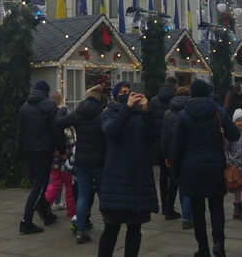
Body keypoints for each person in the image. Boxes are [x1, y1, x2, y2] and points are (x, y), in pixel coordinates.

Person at [172, 79, 240, 257]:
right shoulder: (219, 112)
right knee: (217, 208)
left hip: (192, 167)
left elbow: (177, 146)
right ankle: (219, 243)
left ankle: (203, 249)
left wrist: (176, 169)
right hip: (215, 166)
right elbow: (234, 135)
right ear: (208, 93)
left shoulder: (184, 115)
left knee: (198, 210)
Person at [98, 81, 158, 257]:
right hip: (116, 180)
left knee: (134, 230)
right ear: (117, 96)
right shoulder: (108, 113)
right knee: (111, 229)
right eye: (123, 92)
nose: (128, 94)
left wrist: (147, 111)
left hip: (138, 181)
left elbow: (153, 136)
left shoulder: (143, 114)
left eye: (130, 91)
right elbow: (112, 132)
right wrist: (128, 108)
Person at [54, 85, 105, 243]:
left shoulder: (79, 113)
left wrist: (62, 109)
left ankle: (80, 231)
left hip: (81, 159)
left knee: (83, 195)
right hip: (99, 161)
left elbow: (59, 123)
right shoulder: (103, 113)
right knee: (103, 195)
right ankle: (110, 227)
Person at [16, 80, 61, 234]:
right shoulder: (51, 106)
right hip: (44, 150)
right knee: (39, 185)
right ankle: (26, 221)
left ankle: (46, 214)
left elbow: (20, 132)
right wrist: (61, 148)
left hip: (29, 150)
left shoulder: (24, 107)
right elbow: (56, 129)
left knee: (37, 182)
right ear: (47, 91)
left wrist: (23, 149)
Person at [161, 86, 193, 229]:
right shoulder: (190, 111)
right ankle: (186, 216)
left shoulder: (168, 112)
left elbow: (165, 136)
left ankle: (184, 211)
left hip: (173, 152)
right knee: (189, 186)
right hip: (189, 151)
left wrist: (166, 155)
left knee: (179, 182)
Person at [149, 76, 179, 220]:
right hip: (172, 142)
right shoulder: (175, 100)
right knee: (173, 175)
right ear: (176, 86)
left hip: (158, 142)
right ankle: (170, 207)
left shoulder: (154, 100)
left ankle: (164, 203)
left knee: (163, 173)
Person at [45, 92, 76, 221]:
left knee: (55, 185)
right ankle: (72, 210)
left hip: (53, 161)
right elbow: (70, 145)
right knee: (70, 186)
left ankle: (43, 205)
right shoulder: (64, 125)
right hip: (66, 160)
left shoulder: (47, 120)